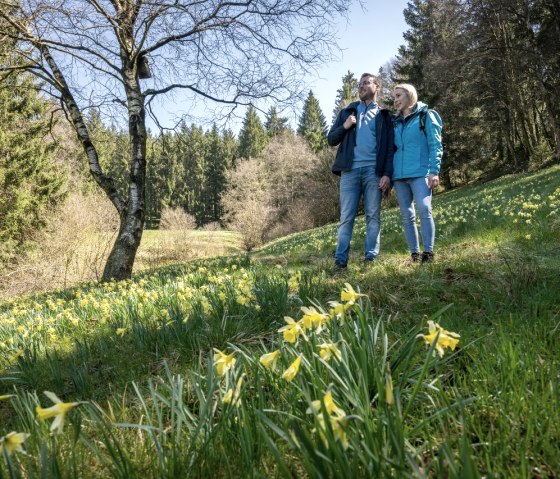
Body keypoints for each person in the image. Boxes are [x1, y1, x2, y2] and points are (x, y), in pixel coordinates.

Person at [327, 73, 394, 269]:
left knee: (373, 216)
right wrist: (346, 126)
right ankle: (340, 261)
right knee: (346, 217)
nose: (362, 87)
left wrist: (387, 174)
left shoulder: (384, 116)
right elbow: (331, 139)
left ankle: (370, 259)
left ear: (377, 87)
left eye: (366, 83)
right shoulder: (347, 112)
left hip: (374, 172)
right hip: (350, 172)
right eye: (360, 84)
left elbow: (390, 148)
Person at [392, 83, 443, 264]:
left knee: (424, 209)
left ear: (410, 96)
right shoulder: (395, 122)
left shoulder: (426, 115)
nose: (395, 100)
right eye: (394, 97)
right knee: (407, 215)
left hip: (421, 172)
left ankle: (428, 253)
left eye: (398, 96)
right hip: (399, 176)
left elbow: (435, 145)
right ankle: (414, 254)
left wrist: (434, 171)